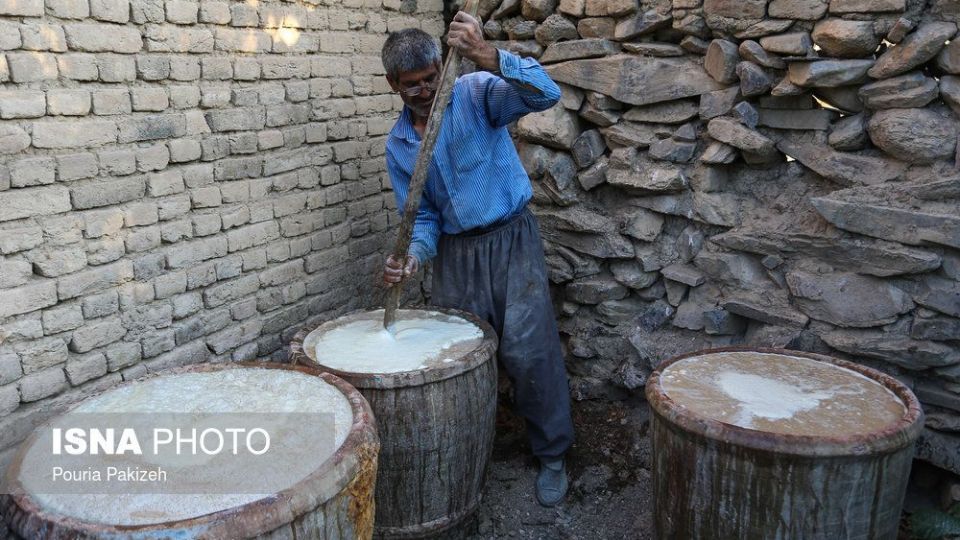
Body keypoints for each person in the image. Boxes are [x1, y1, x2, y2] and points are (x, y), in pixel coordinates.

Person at [379, 12, 575, 507]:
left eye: (429, 79)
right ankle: (468, 456)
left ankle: (552, 454)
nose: (423, 91)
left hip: (511, 241)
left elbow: (545, 95)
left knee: (531, 353)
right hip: (456, 256)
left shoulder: (475, 92)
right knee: (461, 359)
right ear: (392, 85)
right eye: (410, 86)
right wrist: (413, 258)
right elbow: (421, 216)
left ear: (441, 66)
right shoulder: (399, 145)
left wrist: (487, 53)